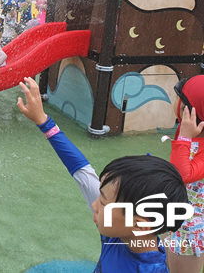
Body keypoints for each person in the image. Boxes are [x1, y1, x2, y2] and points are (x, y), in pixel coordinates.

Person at [17, 76, 189, 273]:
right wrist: (44, 122)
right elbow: (82, 171)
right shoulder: (119, 230)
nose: (94, 204)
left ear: (140, 224)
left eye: (103, 201)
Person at [167, 75, 204, 273]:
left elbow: (181, 175)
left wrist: (185, 138)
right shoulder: (187, 130)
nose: (176, 103)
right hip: (175, 214)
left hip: (192, 228)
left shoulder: (187, 135)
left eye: (180, 101)